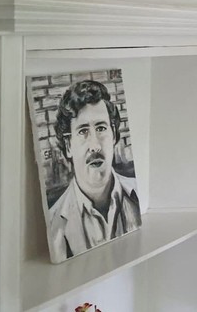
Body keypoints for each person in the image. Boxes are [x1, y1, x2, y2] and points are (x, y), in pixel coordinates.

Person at [47, 80, 141, 263]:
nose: (95, 146)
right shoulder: (53, 225)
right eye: (83, 131)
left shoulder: (139, 195)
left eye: (101, 128)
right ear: (68, 146)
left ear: (113, 134)